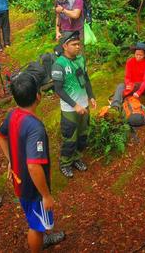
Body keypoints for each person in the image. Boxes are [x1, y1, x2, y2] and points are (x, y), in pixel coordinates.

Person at [0, 72, 64, 252]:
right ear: (38, 96)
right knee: (36, 226)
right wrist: (46, 195)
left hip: (20, 181)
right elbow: (34, 165)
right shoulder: (35, 128)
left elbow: (0, 135)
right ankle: (39, 243)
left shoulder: (13, 114)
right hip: (32, 188)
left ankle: (44, 235)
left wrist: (11, 159)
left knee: (36, 220)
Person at [51, 30, 96, 178]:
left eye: (79, 44)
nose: (78, 47)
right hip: (70, 109)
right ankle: (65, 163)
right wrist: (74, 105)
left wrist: (91, 96)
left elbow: (86, 79)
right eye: (74, 44)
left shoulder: (80, 59)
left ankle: (77, 158)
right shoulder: (59, 65)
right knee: (70, 137)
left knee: (83, 135)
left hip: (85, 105)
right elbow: (58, 89)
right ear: (65, 45)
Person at [110, 42, 145, 115]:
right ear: (134, 53)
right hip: (133, 86)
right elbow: (127, 77)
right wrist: (128, 84)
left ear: (144, 55)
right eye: (136, 54)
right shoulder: (130, 62)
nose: (138, 56)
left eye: (140, 55)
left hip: (144, 87)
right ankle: (115, 107)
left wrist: (139, 92)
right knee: (120, 86)